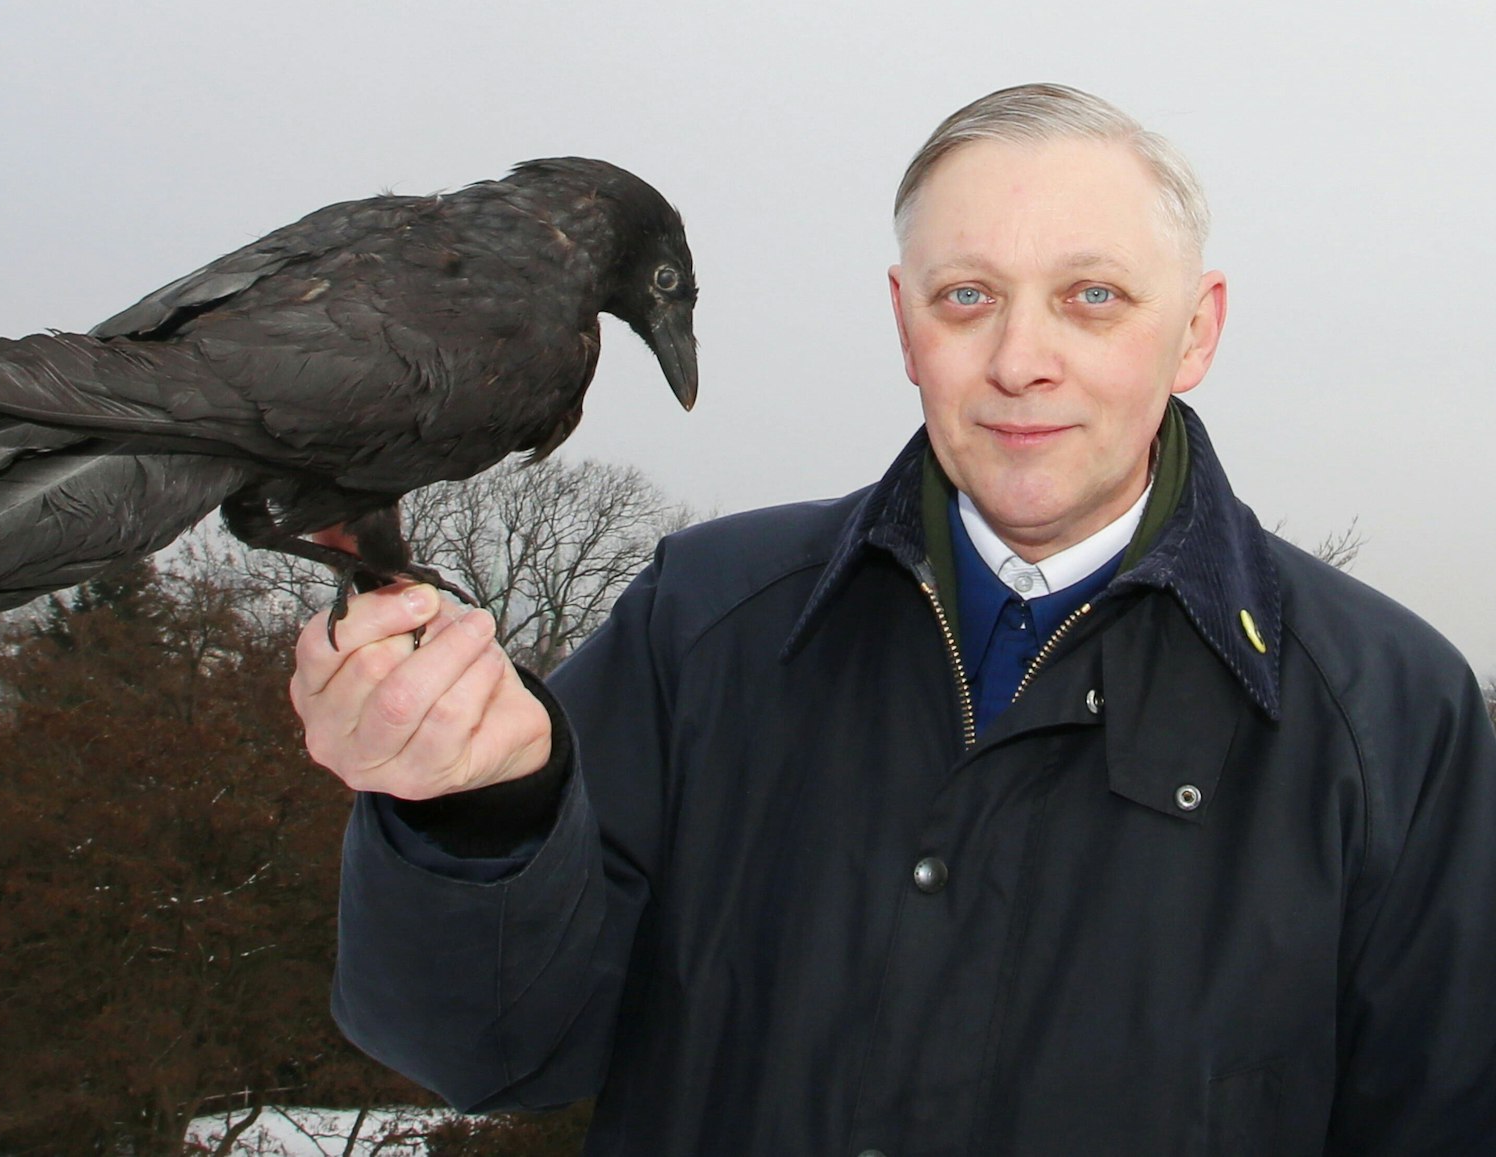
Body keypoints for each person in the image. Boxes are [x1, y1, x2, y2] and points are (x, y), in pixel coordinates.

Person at [290, 84, 1496, 1155]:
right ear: (903, 320)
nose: (1019, 358)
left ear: (1194, 330)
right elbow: (491, 1049)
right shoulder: (702, 619)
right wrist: (480, 812)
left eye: (1091, 296)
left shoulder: (1389, 710)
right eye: (966, 295)